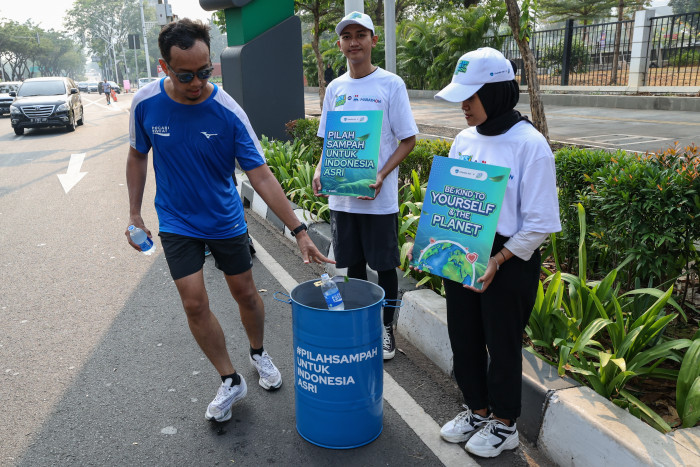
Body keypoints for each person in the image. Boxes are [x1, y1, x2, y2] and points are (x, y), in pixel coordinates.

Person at [125, 18, 333, 423]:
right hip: (176, 220)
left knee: (246, 295)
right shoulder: (146, 103)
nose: (197, 82)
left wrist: (300, 231)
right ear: (164, 67)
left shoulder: (227, 112)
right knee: (193, 302)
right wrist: (134, 212)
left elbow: (261, 175)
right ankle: (230, 378)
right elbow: (137, 155)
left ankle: (258, 352)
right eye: (186, 75)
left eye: (205, 71)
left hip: (224, 219)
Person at [409, 47, 561, 458]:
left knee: (503, 341)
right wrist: (430, 242)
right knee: (465, 336)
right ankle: (477, 410)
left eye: (471, 97)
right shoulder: (463, 140)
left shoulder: (530, 145)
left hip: (509, 259)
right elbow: (452, 199)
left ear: (495, 93)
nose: (464, 106)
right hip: (465, 248)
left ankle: (505, 423)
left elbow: (541, 222)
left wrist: (499, 259)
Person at [312, 11, 418, 360]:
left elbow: (408, 140)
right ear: (340, 44)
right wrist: (318, 169)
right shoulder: (336, 89)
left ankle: (386, 329)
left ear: (373, 40)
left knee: (385, 266)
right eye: (347, 36)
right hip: (343, 199)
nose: (353, 42)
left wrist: (382, 174)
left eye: (361, 35)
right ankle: (359, 325)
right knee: (353, 266)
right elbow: (329, 141)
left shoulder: (391, 85)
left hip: (378, 199)